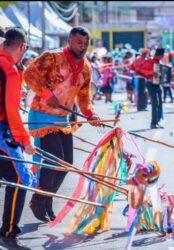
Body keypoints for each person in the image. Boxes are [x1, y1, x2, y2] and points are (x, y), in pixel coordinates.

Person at [23, 26, 101, 223]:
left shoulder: (86, 68)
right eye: (78, 42)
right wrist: (47, 95)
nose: (82, 47)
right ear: (69, 40)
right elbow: (30, 75)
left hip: (63, 118)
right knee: (55, 159)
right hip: (42, 115)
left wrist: (90, 114)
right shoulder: (52, 57)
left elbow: (84, 97)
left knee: (66, 164)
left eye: (85, 44)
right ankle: (39, 198)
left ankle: (47, 200)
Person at [0, 27, 36, 250]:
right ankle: (8, 232)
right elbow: (12, 112)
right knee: (19, 178)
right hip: (3, 131)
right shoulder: (9, 71)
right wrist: (25, 141)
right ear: (22, 47)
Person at [140, 48, 165, 129]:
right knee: (155, 103)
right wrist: (152, 72)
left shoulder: (160, 63)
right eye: (162, 56)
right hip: (150, 83)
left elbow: (162, 73)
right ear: (159, 55)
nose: (162, 58)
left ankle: (157, 121)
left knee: (160, 103)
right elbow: (142, 70)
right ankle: (153, 123)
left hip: (158, 84)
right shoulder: (149, 60)